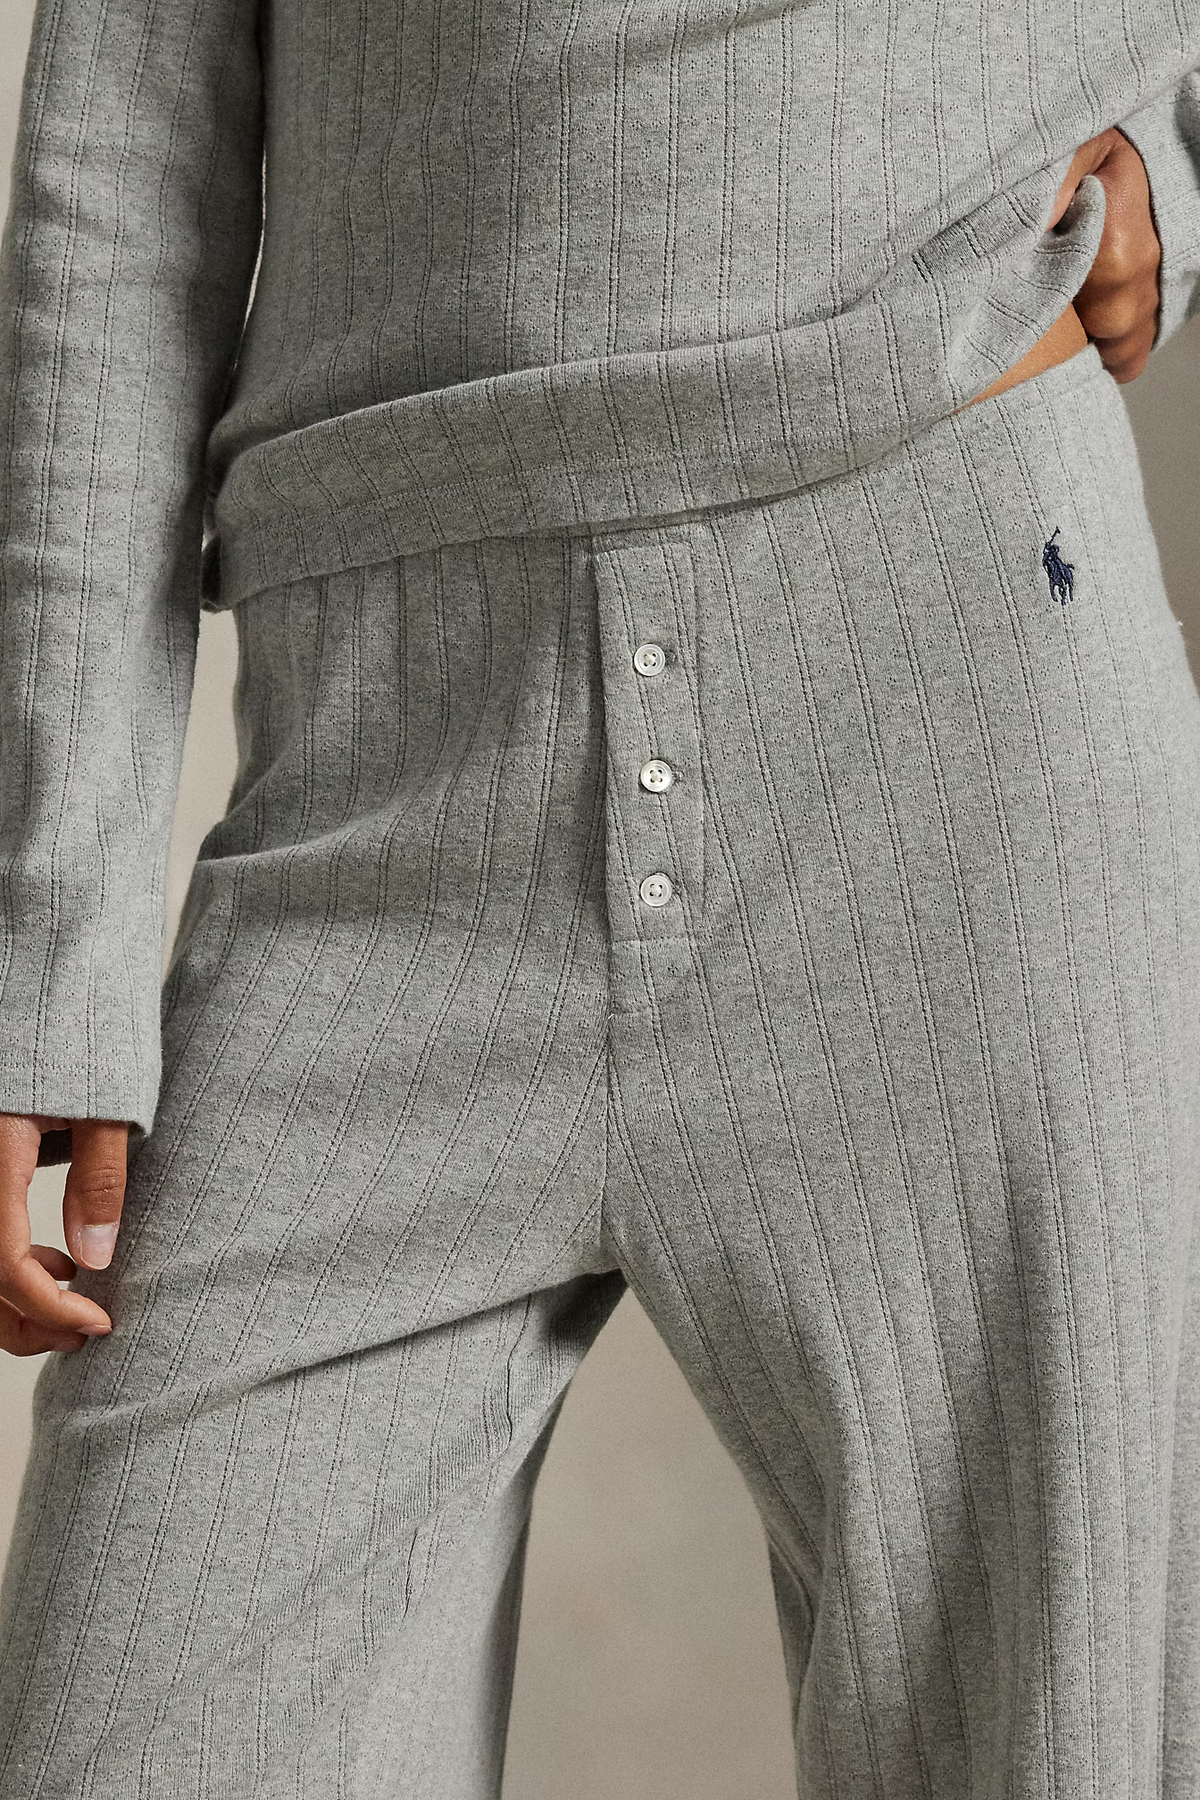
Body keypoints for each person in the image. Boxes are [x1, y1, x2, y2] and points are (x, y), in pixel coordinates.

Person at [0, 0, 1199, 1787]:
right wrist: (52, 939)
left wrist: (1178, 156)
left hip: (958, 675)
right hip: (380, 775)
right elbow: (121, 168)